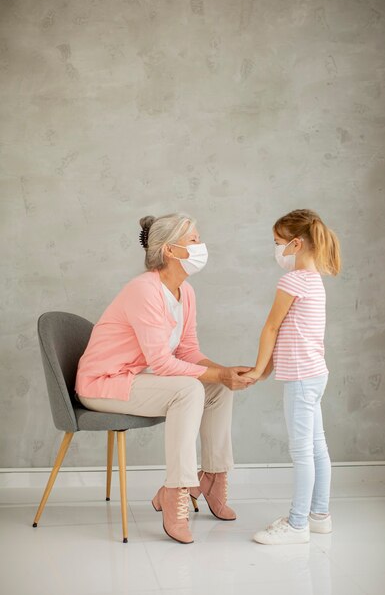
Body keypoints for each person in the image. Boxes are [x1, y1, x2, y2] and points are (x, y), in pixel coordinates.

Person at [75, 213, 255, 544]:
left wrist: (225, 373)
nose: (202, 246)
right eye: (193, 241)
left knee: (216, 387)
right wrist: (218, 373)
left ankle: (213, 478)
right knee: (188, 390)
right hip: (102, 383)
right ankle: (176, 492)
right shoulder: (143, 290)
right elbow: (161, 362)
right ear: (170, 251)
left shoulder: (185, 293)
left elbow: (188, 351)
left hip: (131, 380)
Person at [245, 209, 341, 545]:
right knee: (317, 448)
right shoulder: (314, 280)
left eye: (278, 243)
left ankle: (298, 524)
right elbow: (290, 331)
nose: (276, 250)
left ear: (296, 244)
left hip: (301, 379)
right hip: (315, 375)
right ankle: (319, 516)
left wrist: (258, 369)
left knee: (302, 452)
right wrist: (266, 369)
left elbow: (271, 326)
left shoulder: (292, 280)